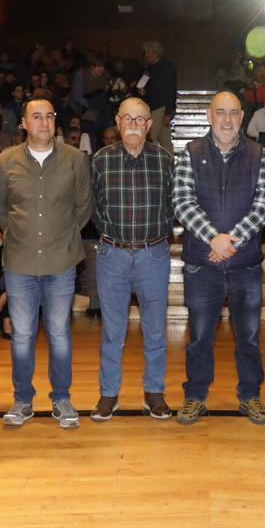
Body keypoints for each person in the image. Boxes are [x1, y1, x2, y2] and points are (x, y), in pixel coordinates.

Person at [172, 90, 265, 426]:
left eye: (233, 113)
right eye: (221, 112)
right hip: (203, 264)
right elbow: (183, 202)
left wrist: (233, 240)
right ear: (208, 115)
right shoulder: (190, 153)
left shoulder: (258, 154)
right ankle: (195, 396)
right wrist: (214, 239)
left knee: (248, 337)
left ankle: (250, 396)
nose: (227, 120)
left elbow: (264, 204)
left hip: (245, 265)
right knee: (200, 336)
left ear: (242, 117)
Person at [0, 98, 93, 429]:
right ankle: (22, 400)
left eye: (49, 116)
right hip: (19, 261)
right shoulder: (6, 161)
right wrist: (19, 233)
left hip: (61, 260)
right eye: (36, 117)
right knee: (21, 335)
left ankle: (61, 398)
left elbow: (83, 207)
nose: (44, 122)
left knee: (60, 333)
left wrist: (59, 236)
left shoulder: (75, 159)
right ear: (23, 123)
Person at [89, 97, 175, 420]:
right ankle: (108, 394)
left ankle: (154, 392)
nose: (134, 125)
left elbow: (171, 206)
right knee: (113, 331)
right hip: (112, 255)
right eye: (128, 119)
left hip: (153, 254)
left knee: (155, 329)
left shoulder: (165, 161)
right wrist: (113, 236)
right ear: (118, 122)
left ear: (149, 125)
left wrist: (153, 237)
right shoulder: (100, 161)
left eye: (141, 120)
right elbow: (94, 210)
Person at [142, 40, 177, 154]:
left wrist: (168, 112)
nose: (146, 55)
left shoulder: (166, 67)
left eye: (148, 52)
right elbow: (153, 89)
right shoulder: (151, 68)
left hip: (160, 108)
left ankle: (152, 165)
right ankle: (170, 166)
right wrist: (144, 92)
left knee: (150, 138)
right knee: (165, 140)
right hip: (154, 107)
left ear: (155, 52)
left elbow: (171, 90)